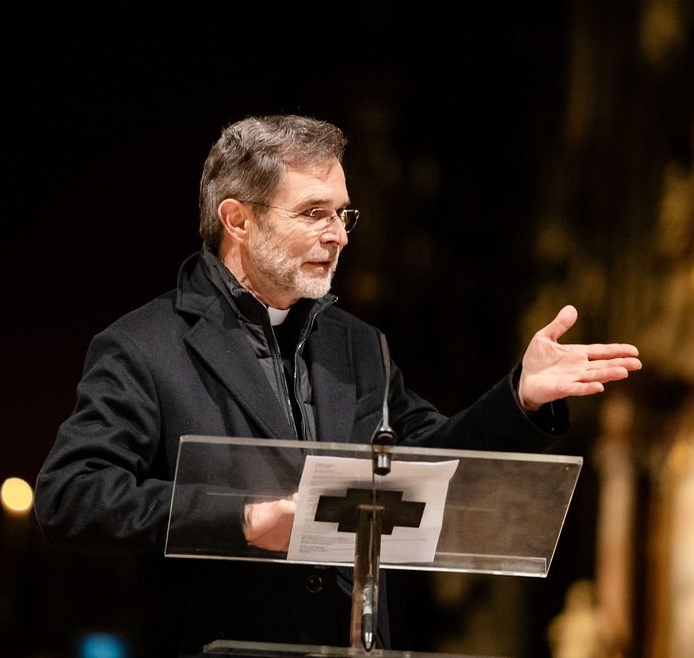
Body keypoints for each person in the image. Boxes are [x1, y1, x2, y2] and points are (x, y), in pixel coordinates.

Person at [34, 115, 641, 656]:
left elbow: (434, 462)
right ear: (238, 219)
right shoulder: (144, 346)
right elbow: (71, 495)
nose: (340, 235)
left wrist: (522, 398)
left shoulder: (358, 345)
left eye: (343, 214)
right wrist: (240, 519)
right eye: (313, 213)